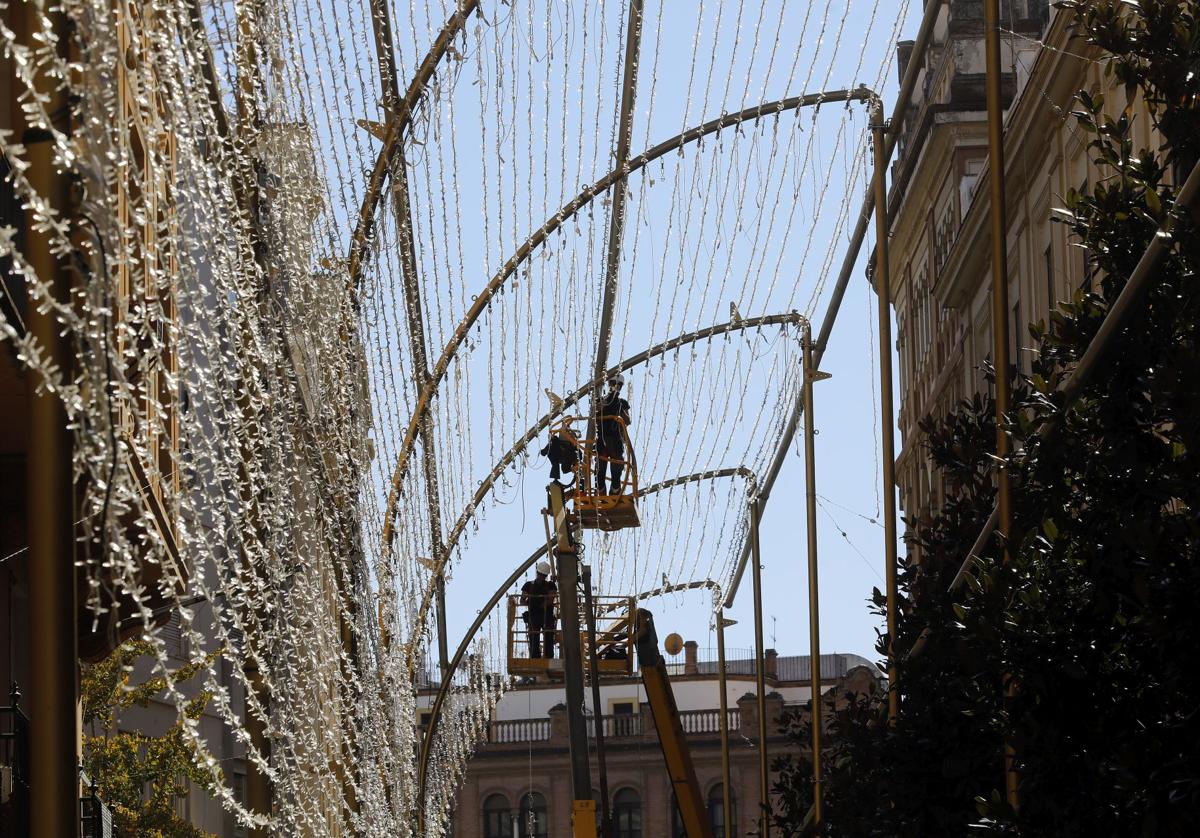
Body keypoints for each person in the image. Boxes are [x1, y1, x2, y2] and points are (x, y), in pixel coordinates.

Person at [595, 374, 631, 495]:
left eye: (618, 385)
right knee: (600, 467)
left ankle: (615, 488)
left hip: (615, 438)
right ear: (609, 384)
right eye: (613, 384)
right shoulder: (601, 400)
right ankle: (601, 489)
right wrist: (605, 404)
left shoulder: (622, 403)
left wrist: (620, 409)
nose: (615, 386)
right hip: (602, 438)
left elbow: (628, 421)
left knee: (617, 465)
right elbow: (595, 413)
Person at [520, 561, 557, 659]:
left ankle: (546, 657)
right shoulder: (529, 585)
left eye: (543, 575)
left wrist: (534, 603)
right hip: (536, 616)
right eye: (541, 575)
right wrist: (533, 603)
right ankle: (536, 657)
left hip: (544, 615)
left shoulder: (550, 585)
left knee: (548, 637)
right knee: (534, 638)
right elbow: (522, 600)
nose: (541, 577)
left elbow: (550, 599)